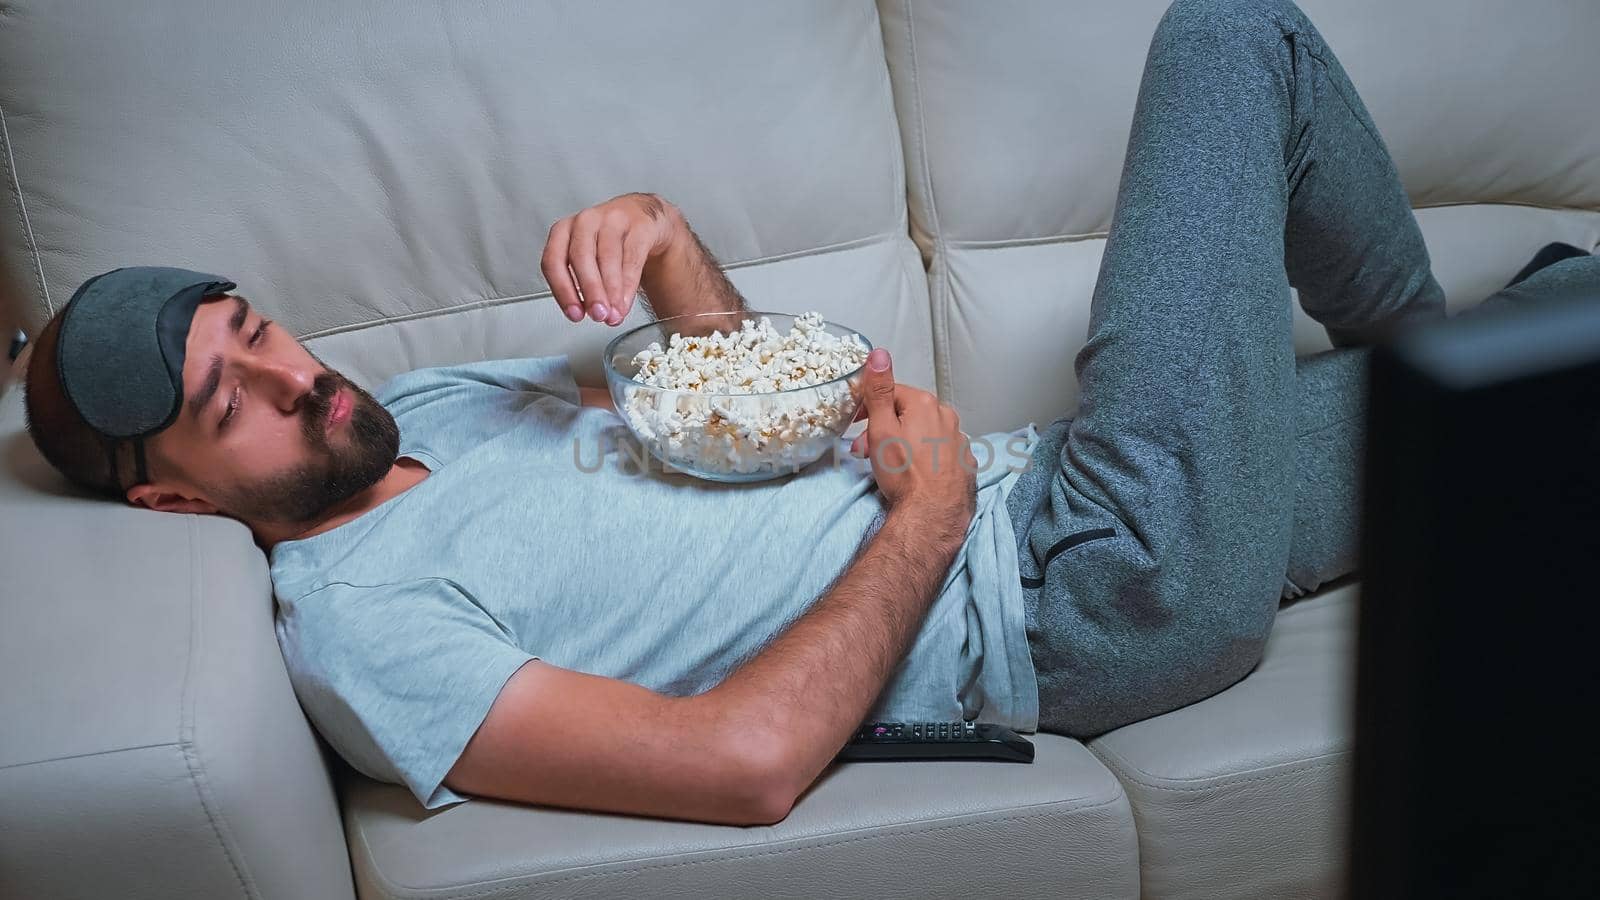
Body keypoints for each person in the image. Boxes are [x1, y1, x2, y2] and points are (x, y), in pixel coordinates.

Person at [18, 0, 1596, 826]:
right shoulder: (357, 625)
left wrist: (668, 242)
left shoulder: (413, 406)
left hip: (1052, 491)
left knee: (1543, 392)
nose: (298, 376)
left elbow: (751, 404)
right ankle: (1432, 352)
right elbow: (745, 763)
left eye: (259, 329)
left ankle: (1470, 364)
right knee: (1232, 35)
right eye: (236, 404)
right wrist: (926, 514)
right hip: (1079, 587)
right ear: (173, 502)